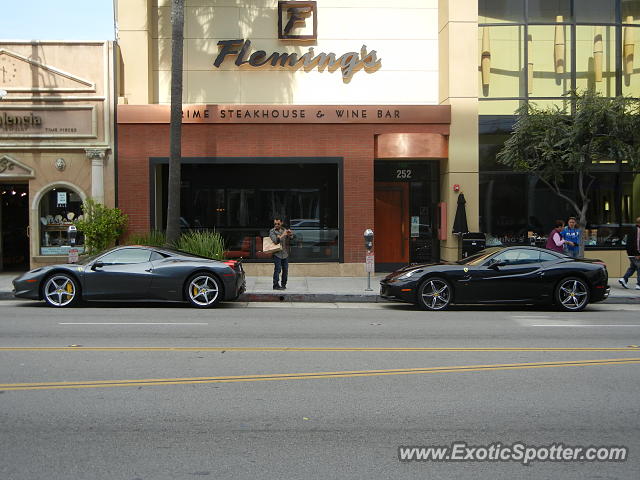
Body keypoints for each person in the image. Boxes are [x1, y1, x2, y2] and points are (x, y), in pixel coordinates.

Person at [269, 217, 294, 290]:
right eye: (275, 224)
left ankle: (283, 284)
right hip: (277, 253)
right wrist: (283, 235)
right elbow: (275, 241)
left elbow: (292, 239)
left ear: (281, 223)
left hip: (285, 253)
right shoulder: (272, 231)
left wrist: (290, 234)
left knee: (285, 270)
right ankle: (275, 285)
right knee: (277, 269)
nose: (276, 225)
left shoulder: (284, 230)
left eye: (278, 224)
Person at [619, 216, 640, 290]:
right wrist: (637, 253)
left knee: (633, 268)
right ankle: (638, 284)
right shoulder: (637, 230)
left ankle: (624, 279)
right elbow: (637, 243)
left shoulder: (632, 229)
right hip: (635, 253)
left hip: (631, 253)